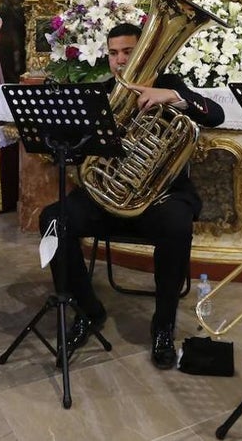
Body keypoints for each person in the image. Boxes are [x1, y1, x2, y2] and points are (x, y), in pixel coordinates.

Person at [39, 22, 225, 370]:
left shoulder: (169, 85)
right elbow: (83, 151)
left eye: (127, 51)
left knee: (177, 225)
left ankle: (163, 326)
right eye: (113, 53)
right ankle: (87, 309)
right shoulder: (102, 94)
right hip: (111, 196)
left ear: (142, 51)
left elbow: (216, 114)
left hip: (161, 198)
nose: (120, 60)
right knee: (53, 218)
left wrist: (175, 98)